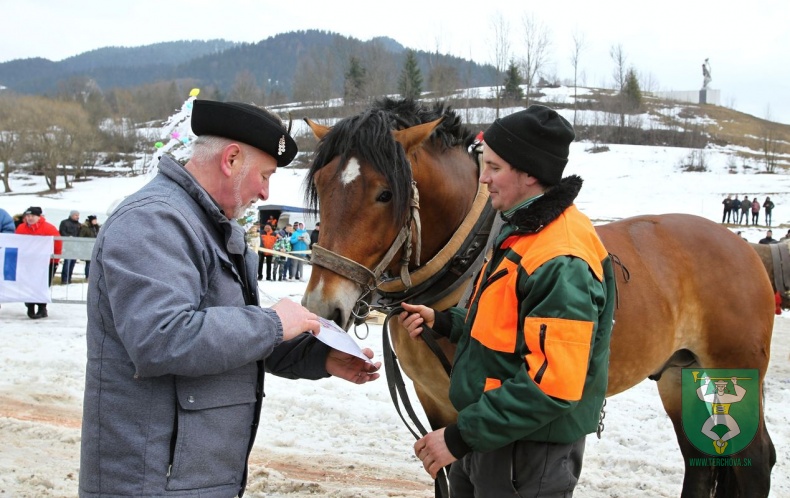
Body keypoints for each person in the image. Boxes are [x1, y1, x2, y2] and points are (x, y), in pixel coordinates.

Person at [78, 100, 381, 498]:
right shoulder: (154, 221)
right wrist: (272, 323)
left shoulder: (211, 227)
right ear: (231, 159)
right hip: (151, 481)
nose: (265, 191)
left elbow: (235, 341)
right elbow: (161, 339)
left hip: (193, 476)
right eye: (265, 175)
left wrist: (319, 356)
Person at [398, 105, 615, 497]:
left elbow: (552, 386)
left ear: (531, 173)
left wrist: (459, 437)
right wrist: (445, 322)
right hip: (492, 434)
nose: (484, 179)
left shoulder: (562, 260)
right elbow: (505, 326)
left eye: (494, 168)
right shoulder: (524, 231)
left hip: (529, 454)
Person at [14, 206, 62, 319]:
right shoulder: (21, 228)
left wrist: (54, 260)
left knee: (43, 285)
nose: (30, 218)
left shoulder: (49, 228)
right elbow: (16, 243)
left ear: (38, 216)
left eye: (32, 216)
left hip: (46, 263)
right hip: (27, 262)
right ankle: (30, 307)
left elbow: (58, 244)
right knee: (28, 284)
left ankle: (42, 308)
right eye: (28, 216)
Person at [59, 209, 81, 284]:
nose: (77, 217)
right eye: (76, 215)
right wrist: (68, 237)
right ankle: (64, 279)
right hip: (67, 246)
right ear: (72, 215)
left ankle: (69, 278)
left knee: (72, 263)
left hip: (75, 247)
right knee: (67, 262)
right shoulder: (64, 222)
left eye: (78, 215)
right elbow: (62, 232)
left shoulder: (79, 225)